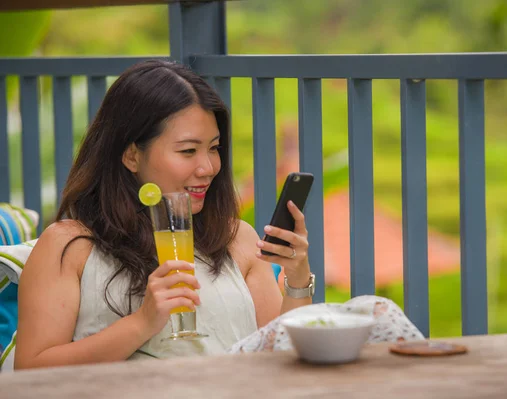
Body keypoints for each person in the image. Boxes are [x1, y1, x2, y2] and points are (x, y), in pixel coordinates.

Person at [14, 59, 314, 369]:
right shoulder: (70, 245)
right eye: (188, 151)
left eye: (213, 148)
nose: (208, 168)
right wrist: (141, 323)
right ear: (132, 155)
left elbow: (281, 356)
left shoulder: (236, 238)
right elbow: (31, 371)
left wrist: (297, 277)